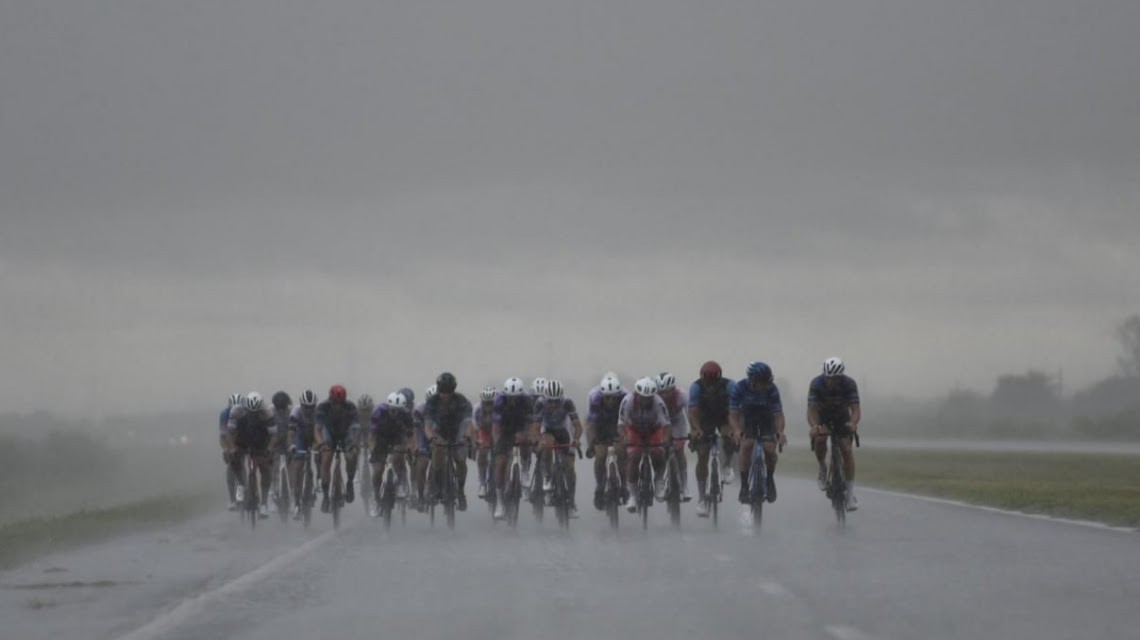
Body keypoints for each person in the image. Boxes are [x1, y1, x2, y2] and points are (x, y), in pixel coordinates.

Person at [807, 357, 862, 510]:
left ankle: (850, 495)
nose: (831, 382)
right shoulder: (816, 383)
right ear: (824, 375)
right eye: (828, 378)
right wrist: (815, 426)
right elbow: (811, 410)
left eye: (835, 379)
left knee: (846, 449)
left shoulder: (849, 384)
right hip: (822, 416)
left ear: (841, 377)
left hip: (842, 417)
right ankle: (823, 468)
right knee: (820, 440)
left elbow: (855, 409)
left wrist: (853, 423)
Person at [729, 362, 787, 504]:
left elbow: (778, 414)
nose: (765, 385)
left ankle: (770, 479)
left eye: (767, 382)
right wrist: (736, 430)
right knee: (747, 445)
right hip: (747, 419)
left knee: (769, 448)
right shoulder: (740, 387)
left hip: (767, 419)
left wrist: (780, 432)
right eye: (763, 382)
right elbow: (733, 413)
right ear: (753, 381)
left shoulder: (772, 389)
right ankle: (744, 485)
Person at [687, 361, 735, 517]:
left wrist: (734, 428)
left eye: (713, 381)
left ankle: (727, 465)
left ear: (719, 378)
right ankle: (701, 499)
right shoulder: (696, 387)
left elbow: (734, 410)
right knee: (702, 454)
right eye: (707, 381)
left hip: (724, 416)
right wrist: (697, 429)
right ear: (702, 377)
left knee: (728, 436)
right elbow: (693, 411)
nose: (709, 385)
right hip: (704, 418)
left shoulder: (729, 386)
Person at [532, 379, 584, 518]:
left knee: (570, 468)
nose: (554, 405)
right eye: (551, 401)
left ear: (561, 397)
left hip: (564, 430)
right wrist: (539, 441)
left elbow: (577, 426)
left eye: (557, 401)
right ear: (546, 398)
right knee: (547, 443)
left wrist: (576, 439)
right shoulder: (540, 403)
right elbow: (535, 429)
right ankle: (548, 477)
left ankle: (571, 502)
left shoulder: (568, 402)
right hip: (547, 429)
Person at [619, 377, 671, 513]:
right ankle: (633, 496)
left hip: (654, 430)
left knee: (658, 452)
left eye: (648, 398)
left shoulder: (659, 403)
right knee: (634, 457)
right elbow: (621, 425)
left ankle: (659, 480)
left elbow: (666, 426)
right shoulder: (627, 401)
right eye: (642, 398)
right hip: (634, 429)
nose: (645, 401)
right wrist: (624, 438)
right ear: (637, 394)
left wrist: (664, 440)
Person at [424, 372, 473, 511]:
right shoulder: (432, 402)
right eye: (443, 391)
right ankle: (435, 481)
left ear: (454, 390)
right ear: (439, 390)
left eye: (449, 391)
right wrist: (432, 438)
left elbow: (468, 423)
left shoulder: (462, 401)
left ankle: (461, 491)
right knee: (438, 450)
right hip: (439, 431)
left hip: (457, 431)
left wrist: (467, 438)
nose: (445, 395)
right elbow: (427, 425)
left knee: (461, 460)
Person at [225, 392, 279, 518]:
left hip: (261, 439)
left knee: (265, 466)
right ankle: (242, 484)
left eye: (256, 412)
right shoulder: (236, 411)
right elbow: (230, 433)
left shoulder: (267, 413)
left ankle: (264, 504)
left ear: (260, 408)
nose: (253, 415)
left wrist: (270, 448)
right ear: (246, 408)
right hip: (242, 438)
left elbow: (274, 435)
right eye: (250, 412)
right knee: (233, 459)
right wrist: (232, 448)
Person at [491, 377, 536, 519]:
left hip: (521, 425)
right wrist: (498, 444)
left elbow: (531, 423)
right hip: (505, 429)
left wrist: (528, 436)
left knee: (524, 441)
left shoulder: (527, 400)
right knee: (500, 462)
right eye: (510, 398)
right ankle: (499, 502)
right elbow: (496, 427)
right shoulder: (499, 400)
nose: (513, 401)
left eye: (516, 398)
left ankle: (524, 470)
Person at [315, 385, 361, 513]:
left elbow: (356, 429)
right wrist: (321, 444)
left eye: (340, 403)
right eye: (335, 403)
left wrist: (354, 445)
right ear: (330, 399)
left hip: (345, 433)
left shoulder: (350, 407)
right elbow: (318, 430)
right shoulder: (322, 407)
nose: (337, 405)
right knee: (326, 458)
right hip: (329, 433)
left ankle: (350, 481)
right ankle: (325, 496)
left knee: (351, 455)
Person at [368, 392, 415, 517]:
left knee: (398, 457)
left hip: (398, 439)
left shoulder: (406, 415)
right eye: (393, 410)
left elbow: (410, 436)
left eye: (398, 411)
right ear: (388, 406)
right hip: (381, 439)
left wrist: (410, 448)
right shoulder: (378, 412)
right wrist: (372, 450)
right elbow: (372, 435)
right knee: (377, 470)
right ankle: (376, 498)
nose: (395, 413)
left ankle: (400, 482)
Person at [585, 374, 627, 510]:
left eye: (614, 397)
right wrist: (592, 443)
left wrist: (627, 440)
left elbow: (629, 422)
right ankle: (599, 487)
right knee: (600, 456)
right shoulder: (595, 398)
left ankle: (624, 485)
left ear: (618, 394)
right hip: (601, 424)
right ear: (602, 395)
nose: (610, 401)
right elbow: (591, 425)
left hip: (619, 424)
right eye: (607, 397)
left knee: (621, 453)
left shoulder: (625, 397)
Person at [656, 372, 692, 501]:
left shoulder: (682, 395)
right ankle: (659, 481)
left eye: (667, 391)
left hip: (677, 421)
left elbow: (690, 415)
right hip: (660, 423)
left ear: (673, 389)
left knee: (679, 450)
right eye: (661, 392)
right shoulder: (654, 397)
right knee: (661, 451)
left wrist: (693, 430)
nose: (664, 395)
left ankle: (685, 486)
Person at [287, 389, 320, 519]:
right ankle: (296, 503)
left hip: (314, 436)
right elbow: (291, 433)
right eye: (306, 407)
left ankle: (319, 479)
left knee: (320, 454)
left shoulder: (319, 413)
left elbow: (321, 433)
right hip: (300, 436)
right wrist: (292, 446)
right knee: (298, 465)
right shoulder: (295, 412)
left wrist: (320, 447)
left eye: (311, 407)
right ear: (301, 405)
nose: (309, 410)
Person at [410, 385, 434, 512]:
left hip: (438, 437)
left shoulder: (445, 409)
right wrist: (416, 445)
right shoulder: (419, 410)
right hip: (423, 438)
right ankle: (420, 495)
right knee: (421, 465)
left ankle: (436, 484)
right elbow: (415, 430)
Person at [470, 386, 497, 499]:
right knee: (482, 452)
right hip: (483, 430)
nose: (488, 406)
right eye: (486, 403)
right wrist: (476, 443)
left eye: (491, 403)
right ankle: (482, 483)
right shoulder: (477, 409)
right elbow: (475, 429)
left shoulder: (500, 408)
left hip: (497, 430)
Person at [268, 391, 292, 513]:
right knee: (274, 465)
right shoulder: (270, 411)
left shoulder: (291, 410)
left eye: (284, 408)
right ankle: (272, 494)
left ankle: (293, 494)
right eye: (279, 409)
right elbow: (267, 431)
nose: (282, 411)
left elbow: (294, 429)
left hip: (287, 438)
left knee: (292, 463)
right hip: (274, 439)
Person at [219, 393, 243, 510]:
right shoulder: (224, 415)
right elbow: (223, 436)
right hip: (230, 439)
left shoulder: (245, 413)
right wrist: (227, 449)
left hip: (243, 438)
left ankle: (247, 489)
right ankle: (232, 499)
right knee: (231, 466)